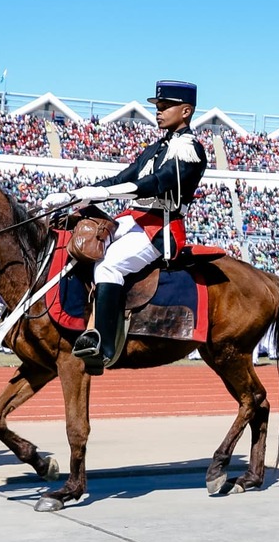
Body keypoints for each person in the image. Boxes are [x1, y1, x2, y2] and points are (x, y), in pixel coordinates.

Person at [41, 79, 207, 373]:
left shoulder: (189, 149)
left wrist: (105, 193)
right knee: (79, 244)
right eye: (157, 106)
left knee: (110, 265)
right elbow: (122, 178)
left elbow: (156, 183)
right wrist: (75, 194)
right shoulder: (156, 148)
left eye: (165, 106)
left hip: (159, 227)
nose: (158, 111)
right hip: (132, 220)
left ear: (186, 111)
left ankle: (104, 346)